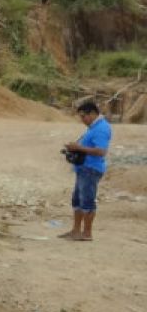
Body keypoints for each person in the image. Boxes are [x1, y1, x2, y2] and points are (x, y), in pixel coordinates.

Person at [61, 100, 112, 242]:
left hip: (91, 169)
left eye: (83, 116)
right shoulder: (93, 127)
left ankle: (87, 233)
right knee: (77, 200)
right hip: (84, 168)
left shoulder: (101, 128)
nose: (82, 120)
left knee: (87, 202)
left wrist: (78, 148)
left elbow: (101, 151)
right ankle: (76, 231)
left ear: (93, 113)